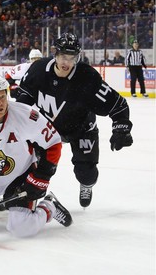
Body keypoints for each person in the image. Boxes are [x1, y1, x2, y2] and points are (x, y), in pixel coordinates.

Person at [16, 33, 133, 208]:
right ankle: (18, 191)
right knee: (29, 164)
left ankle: (86, 185)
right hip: (48, 129)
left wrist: (121, 129)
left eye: (72, 58)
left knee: (86, 174)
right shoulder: (38, 70)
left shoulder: (88, 78)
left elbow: (119, 105)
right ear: (55, 53)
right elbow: (23, 100)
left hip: (82, 129)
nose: (66, 63)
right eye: (63, 56)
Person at [0, 73, 72, 237]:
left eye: (2, 97)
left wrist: (41, 177)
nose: (0, 103)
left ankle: (49, 206)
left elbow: (53, 142)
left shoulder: (26, 115)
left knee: (20, 228)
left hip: (21, 175)